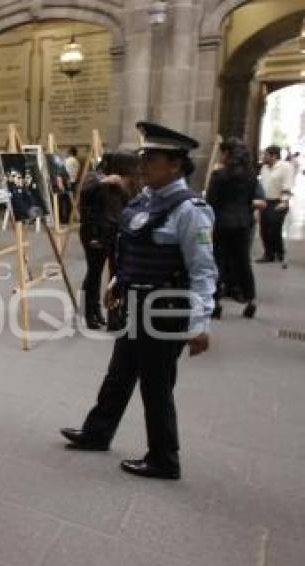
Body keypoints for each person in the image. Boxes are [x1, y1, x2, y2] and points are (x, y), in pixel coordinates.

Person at [60, 122, 217, 480]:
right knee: (119, 374)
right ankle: (97, 433)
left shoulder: (190, 210)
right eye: (143, 157)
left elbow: (204, 271)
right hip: (135, 303)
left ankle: (164, 458)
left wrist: (199, 324)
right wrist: (117, 280)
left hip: (165, 309)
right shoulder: (145, 201)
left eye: (151, 159)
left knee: (156, 384)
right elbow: (133, 249)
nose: (141, 165)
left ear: (175, 164)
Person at [79, 151, 140, 330]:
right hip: (95, 232)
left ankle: (115, 316)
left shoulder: (126, 182)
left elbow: (132, 203)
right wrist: (104, 181)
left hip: (117, 232)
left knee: (116, 274)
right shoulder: (95, 177)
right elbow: (85, 193)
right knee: (94, 272)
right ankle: (91, 313)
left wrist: (122, 186)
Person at [206, 138, 265, 318]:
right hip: (243, 224)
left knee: (218, 262)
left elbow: (211, 201)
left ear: (226, 154)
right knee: (243, 262)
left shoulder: (219, 175)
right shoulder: (251, 176)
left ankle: (215, 303)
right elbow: (252, 200)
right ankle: (251, 300)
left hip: (222, 223)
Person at [257, 145, 293, 268]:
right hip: (266, 201)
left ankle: (278, 252)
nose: (263, 157)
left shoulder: (285, 167)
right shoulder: (264, 168)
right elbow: (262, 184)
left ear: (273, 156)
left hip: (278, 202)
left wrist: (284, 201)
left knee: (274, 229)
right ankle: (269, 253)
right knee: (264, 228)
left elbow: (287, 185)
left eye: (265, 155)